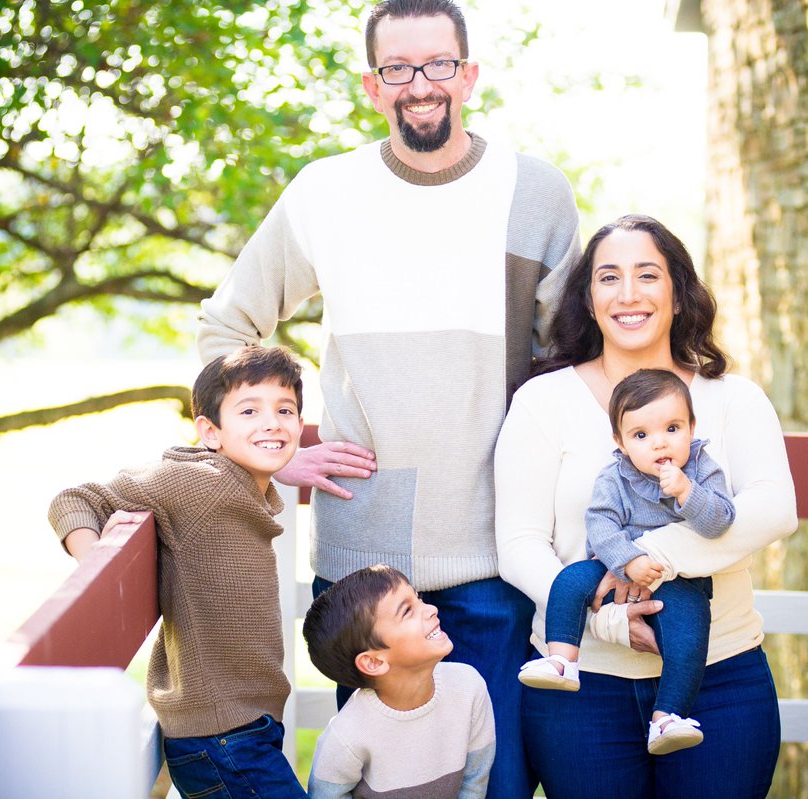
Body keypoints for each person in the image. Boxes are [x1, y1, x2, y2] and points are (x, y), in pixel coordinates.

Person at [196, 2, 579, 795]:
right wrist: (276, 452)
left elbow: (575, 365)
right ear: (374, 87)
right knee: (380, 785)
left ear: (468, 73)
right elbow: (226, 320)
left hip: (496, 550)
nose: (420, 86)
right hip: (364, 571)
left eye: (438, 64)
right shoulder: (325, 191)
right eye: (398, 70)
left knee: (499, 783)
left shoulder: (534, 192)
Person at [495, 214, 798, 798]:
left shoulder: (731, 397)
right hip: (580, 685)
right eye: (608, 277)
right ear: (587, 299)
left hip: (720, 678)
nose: (628, 294)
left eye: (647, 275)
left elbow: (774, 509)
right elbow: (519, 544)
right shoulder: (544, 400)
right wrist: (606, 616)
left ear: (679, 294)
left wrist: (649, 557)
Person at [48, 346, 307, 799]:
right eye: (249, 410)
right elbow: (74, 499)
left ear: (300, 425)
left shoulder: (250, 491)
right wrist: (99, 569)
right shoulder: (197, 483)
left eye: (285, 410)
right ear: (210, 431)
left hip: (248, 728)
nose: (272, 422)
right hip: (221, 737)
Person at [517, 368, 735, 756]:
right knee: (568, 582)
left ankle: (667, 718)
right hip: (614, 567)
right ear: (619, 441)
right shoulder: (616, 476)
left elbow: (720, 521)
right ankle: (562, 659)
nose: (659, 444)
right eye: (641, 435)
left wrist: (687, 492)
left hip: (681, 582)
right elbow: (600, 522)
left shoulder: (702, 468)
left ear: (692, 427)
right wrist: (627, 560)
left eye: (672, 428)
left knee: (690, 633)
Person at [302, 564, 495, 799]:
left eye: (419, 599)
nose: (431, 609)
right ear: (374, 662)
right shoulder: (347, 736)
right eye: (407, 611)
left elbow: (475, 783)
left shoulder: (469, 688)